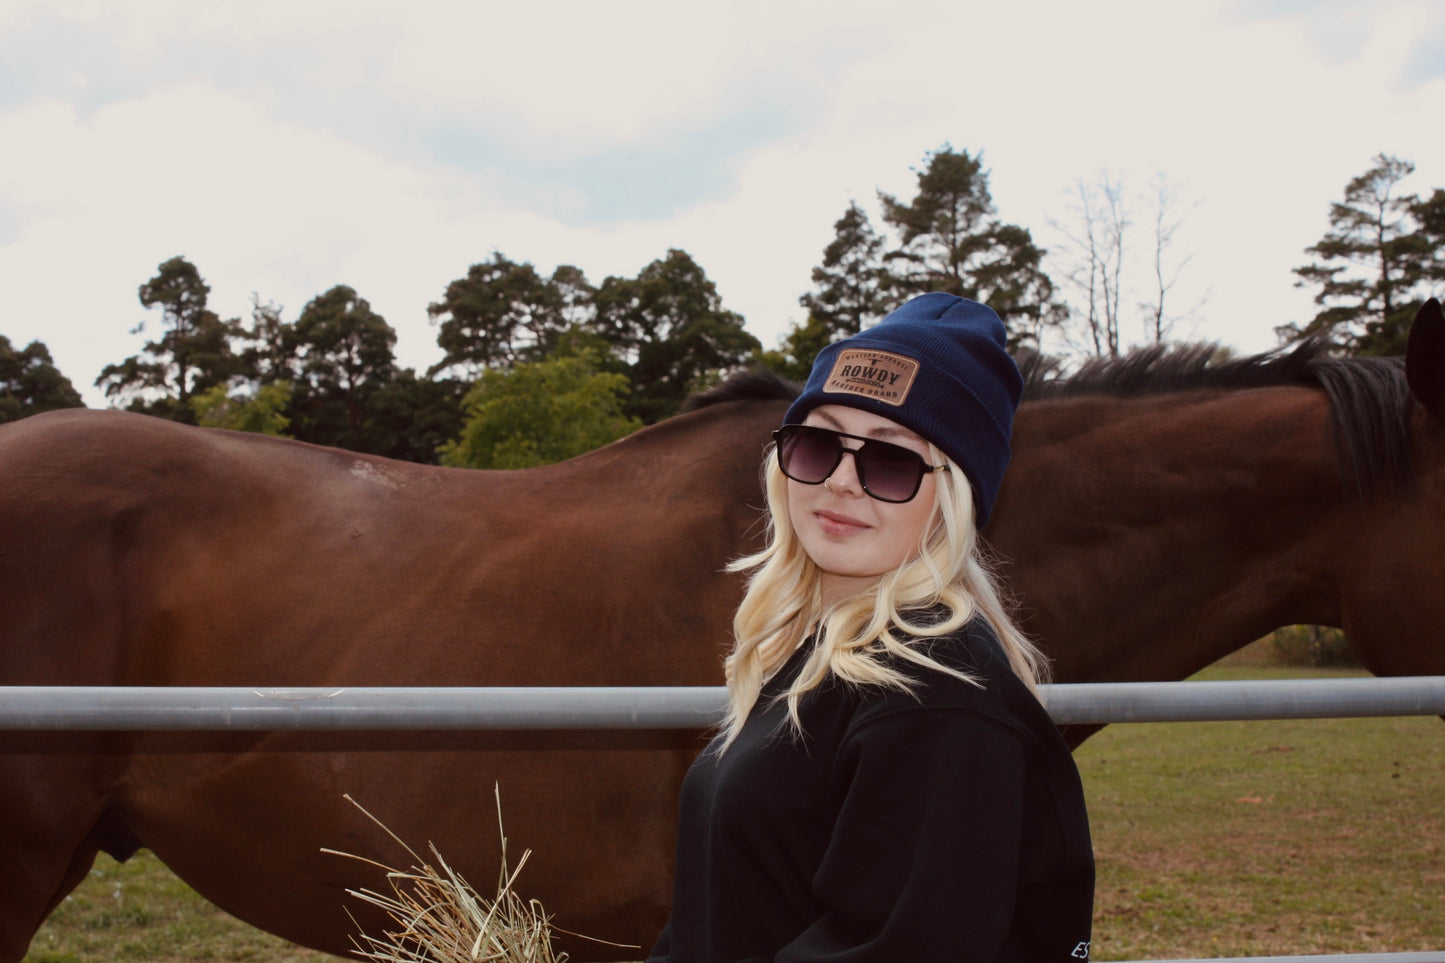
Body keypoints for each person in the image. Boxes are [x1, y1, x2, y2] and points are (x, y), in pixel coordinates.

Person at [647, 292, 1095, 963]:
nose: (842, 482)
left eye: (890, 462)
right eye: (818, 443)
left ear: (952, 499)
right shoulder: (819, 652)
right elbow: (715, 911)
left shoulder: (937, 697)